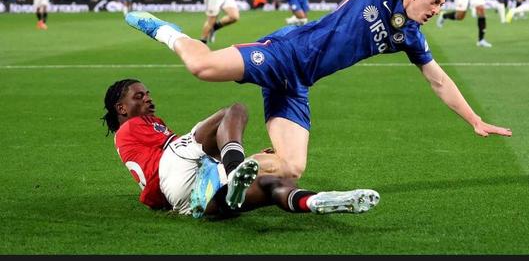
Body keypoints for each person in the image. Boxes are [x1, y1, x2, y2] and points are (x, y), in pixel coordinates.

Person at [125, 0, 512, 181]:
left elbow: (438, 80)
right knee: (202, 67)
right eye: (434, 1)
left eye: (441, 4)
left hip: (299, 83)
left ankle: (220, 176)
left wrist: (474, 119)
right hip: (287, 52)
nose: (437, 9)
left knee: (291, 166)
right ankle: (164, 30)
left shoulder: (410, 37)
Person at [102, 79, 379, 219]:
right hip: (177, 173)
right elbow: (192, 151)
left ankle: (316, 201)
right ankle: (234, 170)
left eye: (148, 95)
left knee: (275, 184)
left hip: (185, 201)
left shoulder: (129, 137)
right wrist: (233, 161)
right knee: (234, 112)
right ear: (121, 108)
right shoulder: (132, 127)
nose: (148, 100)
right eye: (139, 96)